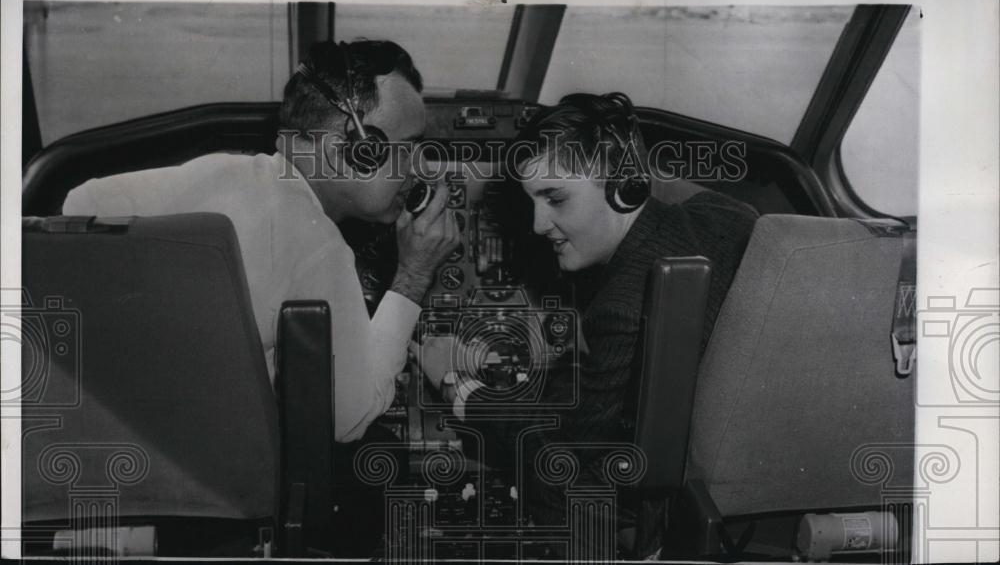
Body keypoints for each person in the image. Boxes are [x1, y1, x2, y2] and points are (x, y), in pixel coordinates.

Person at [63, 39, 460, 444]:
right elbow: (349, 421)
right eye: (408, 147)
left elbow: (79, 203)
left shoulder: (219, 169)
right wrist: (413, 275)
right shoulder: (319, 248)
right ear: (352, 150)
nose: (421, 168)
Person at [418, 92, 758, 557]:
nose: (539, 225)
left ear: (624, 186)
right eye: (532, 199)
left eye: (556, 198)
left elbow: (559, 454)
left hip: (645, 504)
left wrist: (457, 386)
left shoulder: (625, 305)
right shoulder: (725, 215)